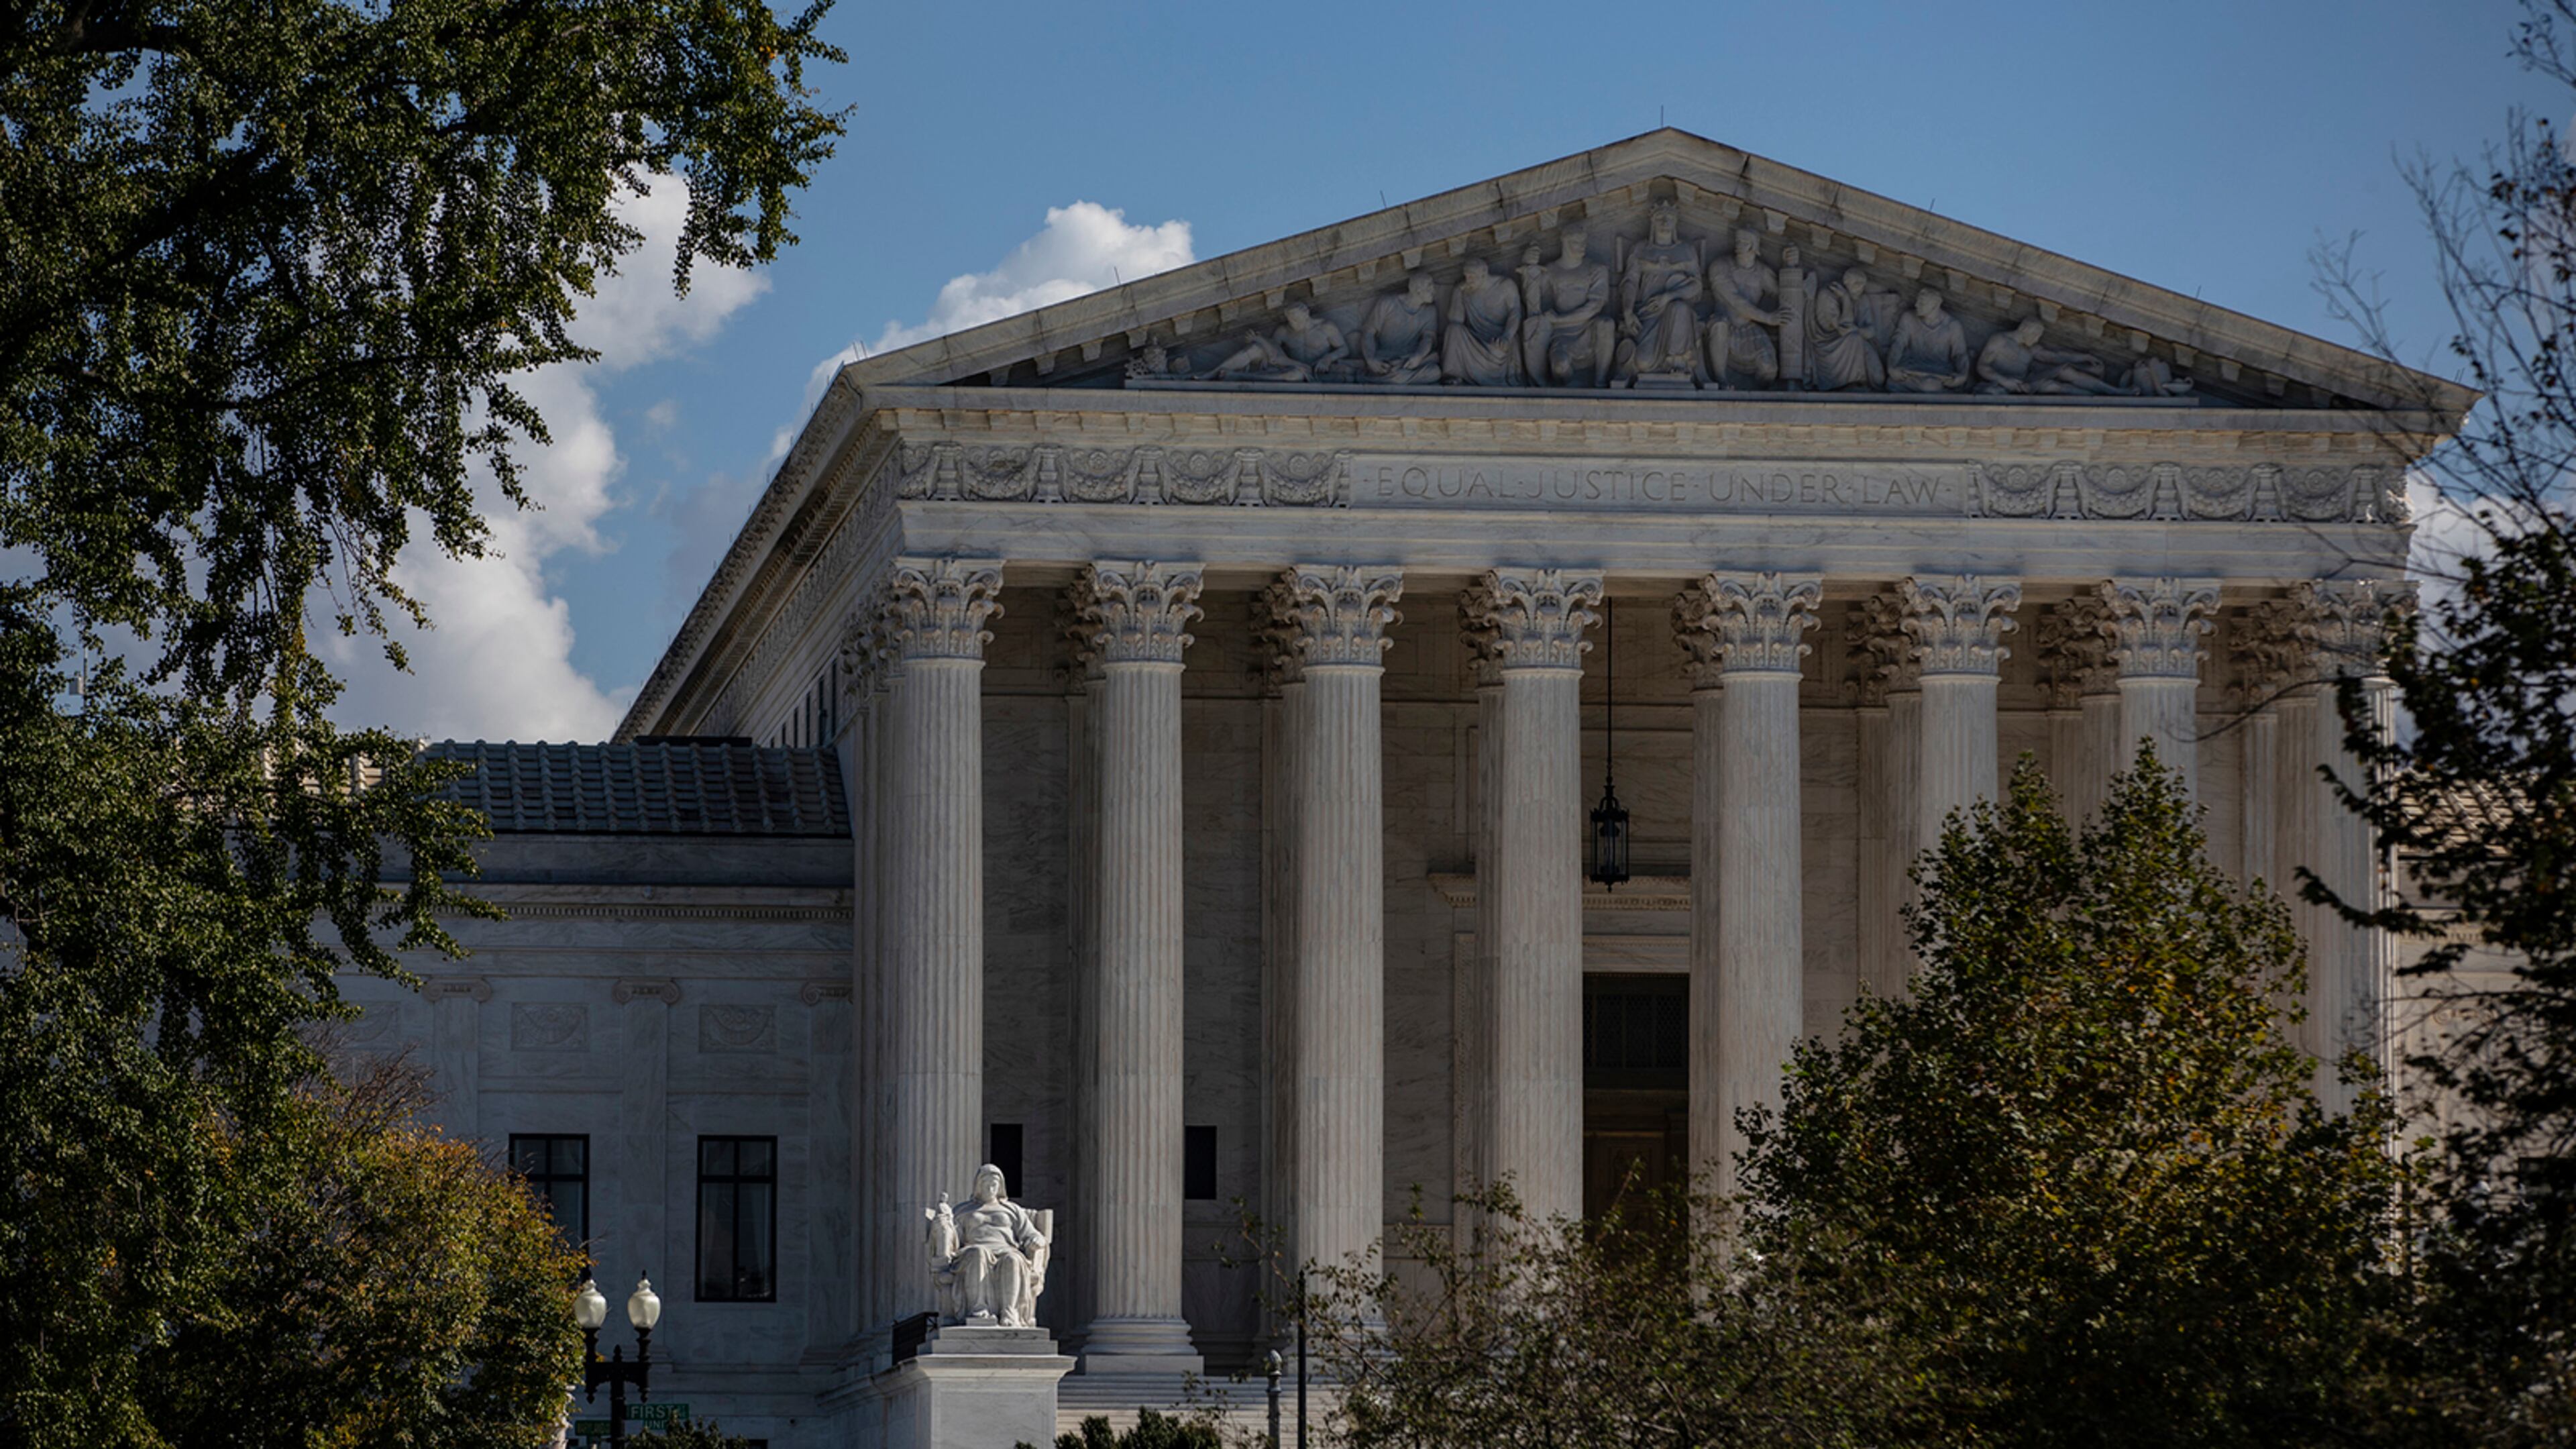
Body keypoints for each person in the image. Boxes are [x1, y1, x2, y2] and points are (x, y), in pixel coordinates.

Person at [925, 1163, 1051, 1328]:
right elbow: (953, 1237)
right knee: (979, 1253)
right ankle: (979, 1309)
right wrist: (940, 1225)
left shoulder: (1013, 1210)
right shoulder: (964, 1210)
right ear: (978, 1186)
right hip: (972, 1251)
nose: (991, 1188)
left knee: (1013, 1259)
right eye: (986, 1184)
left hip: (1006, 1250)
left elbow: (1031, 1234)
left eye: (994, 1184)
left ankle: (1009, 1312)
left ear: (1000, 1187)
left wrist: (1037, 1240)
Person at [1611, 201, 1705, 384]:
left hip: (1678, 319)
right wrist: (1628, 312)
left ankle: (1677, 361)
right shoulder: (1641, 249)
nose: (1665, 222)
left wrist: (1669, 296)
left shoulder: (1686, 250)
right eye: (1660, 218)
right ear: (1652, 222)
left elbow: (1697, 286)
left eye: (1669, 218)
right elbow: (1630, 283)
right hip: (1647, 314)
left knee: (1679, 308)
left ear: (1676, 222)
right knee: (1643, 363)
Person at [1517, 224, 1615, 387]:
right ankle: (1567, 388)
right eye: (1577, 242)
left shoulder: (1596, 269)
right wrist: (1529, 266)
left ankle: (1600, 380)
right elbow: (1533, 301)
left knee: (1606, 324)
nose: (1582, 247)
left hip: (1588, 329)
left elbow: (1595, 306)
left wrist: (1560, 319)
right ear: (1564, 242)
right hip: (1561, 335)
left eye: (1584, 242)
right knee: (1560, 367)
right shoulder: (1550, 270)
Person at [1705, 227, 1783, 388]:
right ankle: (1721, 380)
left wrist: (1801, 279)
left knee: (1769, 369)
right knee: (1720, 326)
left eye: (1744, 242)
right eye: (1738, 241)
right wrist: (1768, 318)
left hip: (1749, 329)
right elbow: (1736, 301)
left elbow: (1784, 295)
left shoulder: (1762, 272)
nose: (1738, 245)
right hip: (1724, 326)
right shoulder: (1720, 266)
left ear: (1754, 247)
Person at [1974, 317, 2123, 395]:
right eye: (2036, 335)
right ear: (2026, 330)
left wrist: (2084, 357)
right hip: (2001, 385)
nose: (2037, 340)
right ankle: (2092, 398)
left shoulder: (2030, 349)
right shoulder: (2000, 340)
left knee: (2065, 371)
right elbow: (1982, 366)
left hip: (2025, 382)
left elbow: (2055, 357)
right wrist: (2005, 381)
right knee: (2053, 387)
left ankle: (2112, 392)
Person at [1442, 255, 1524, 386]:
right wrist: (1457, 292)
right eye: (1466, 276)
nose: (1468, 280)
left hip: (1499, 339)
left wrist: (1506, 336)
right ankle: (1453, 375)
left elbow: (1515, 313)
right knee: (1453, 329)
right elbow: (1455, 319)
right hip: (1474, 339)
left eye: (1472, 276)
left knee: (1497, 350)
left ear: (1484, 272)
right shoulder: (1464, 290)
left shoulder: (1506, 285)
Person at [1806, 266, 1886, 390]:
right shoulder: (1827, 295)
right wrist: (1845, 299)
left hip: (1855, 342)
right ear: (1845, 283)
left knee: (1879, 377)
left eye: (1863, 285)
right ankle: (1854, 382)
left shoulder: (1862, 299)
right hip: (1828, 345)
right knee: (1855, 339)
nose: (1862, 289)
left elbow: (1871, 331)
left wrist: (1858, 330)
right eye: (1858, 284)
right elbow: (1844, 327)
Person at [1358, 273, 1443, 384]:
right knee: (1391, 371)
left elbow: (1428, 338)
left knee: (1435, 372)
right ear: (1418, 290)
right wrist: (1370, 360)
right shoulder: (1388, 303)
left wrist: (1418, 356)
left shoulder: (1430, 311)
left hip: (1409, 361)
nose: (1434, 292)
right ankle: (1394, 377)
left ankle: (1396, 378)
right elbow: (1369, 333)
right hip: (1386, 359)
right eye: (1430, 287)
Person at [1885, 288, 1972, 392]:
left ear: (1936, 305)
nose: (1916, 305)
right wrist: (1891, 366)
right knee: (1891, 383)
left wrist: (1963, 375)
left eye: (1922, 303)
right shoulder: (1908, 318)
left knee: (1929, 386)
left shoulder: (1952, 326)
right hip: (1912, 370)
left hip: (1940, 373)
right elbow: (1898, 344)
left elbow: (1960, 354)